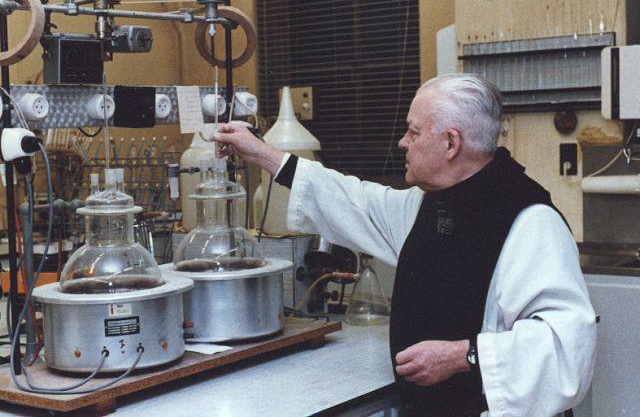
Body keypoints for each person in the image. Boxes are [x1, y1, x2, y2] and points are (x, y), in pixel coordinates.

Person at [212, 74, 596, 416]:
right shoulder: (428, 203)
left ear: (450, 143)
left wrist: (463, 356)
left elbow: (566, 346)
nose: (402, 142)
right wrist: (262, 154)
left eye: (414, 132)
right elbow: (354, 201)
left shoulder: (530, 221)